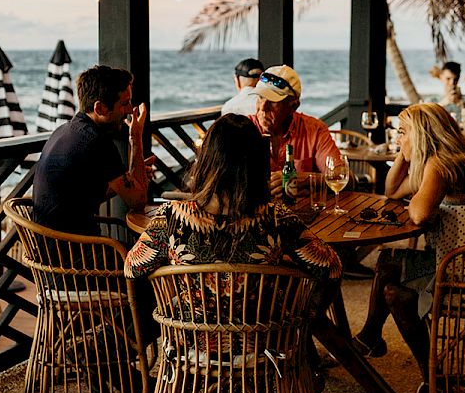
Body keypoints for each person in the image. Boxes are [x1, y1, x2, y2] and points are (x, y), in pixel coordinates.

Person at [354, 103, 465, 393]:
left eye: (403, 132)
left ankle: (432, 381)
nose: (397, 137)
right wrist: (403, 156)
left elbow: (418, 214)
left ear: (422, 135)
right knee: (389, 260)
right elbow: (392, 190)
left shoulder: (442, 165)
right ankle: (370, 337)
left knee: (397, 295)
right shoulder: (451, 160)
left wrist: (417, 188)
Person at [125, 113, 341, 286]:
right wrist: (283, 263)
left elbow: (132, 268)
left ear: (207, 160)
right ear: (256, 164)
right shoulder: (277, 219)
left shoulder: (171, 218)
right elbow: (331, 267)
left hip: (190, 340)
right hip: (260, 338)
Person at [33, 65, 151, 235]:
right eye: (124, 103)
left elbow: (80, 195)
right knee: (154, 255)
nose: (130, 110)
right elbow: (138, 201)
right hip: (74, 252)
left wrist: (130, 180)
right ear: (100, 108)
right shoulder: (97, 143)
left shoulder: (65, 130)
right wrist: (136, 138)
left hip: (45, 245)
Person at [249, 65, 342, 179]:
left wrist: (300, 179)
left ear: (293, 106)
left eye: (273, 101)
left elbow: (342, 177)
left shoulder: (315, 130)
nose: (263, 107)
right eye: (260, 97)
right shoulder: (243, 129)